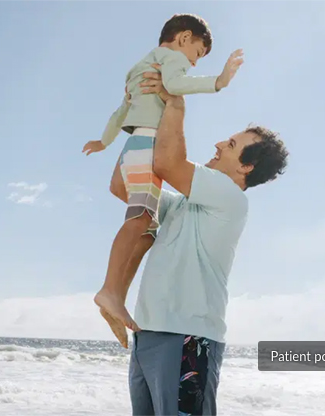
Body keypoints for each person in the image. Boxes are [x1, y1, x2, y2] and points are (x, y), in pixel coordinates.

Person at [124, 66, 289, 416]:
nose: (217, 144)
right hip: (149, 335)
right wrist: (140, 119)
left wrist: (176, 105)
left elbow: (168, 163)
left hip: (186, 338)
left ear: (246, 167)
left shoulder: (229, 196)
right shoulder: (185, 202)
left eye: (230, 145)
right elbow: (125, 186)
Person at [84, 14, 246, 348]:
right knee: (140, 219)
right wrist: (218, 81)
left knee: (148, 226)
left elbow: (120, 112)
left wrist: (104, 142)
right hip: (148, 144)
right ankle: (110, 292)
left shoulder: (138, 67)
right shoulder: (171, 59)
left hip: (132, 146)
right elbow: (174, 86)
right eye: (197, 53)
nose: (192, 61)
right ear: (184, 38)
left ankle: (115, 296)